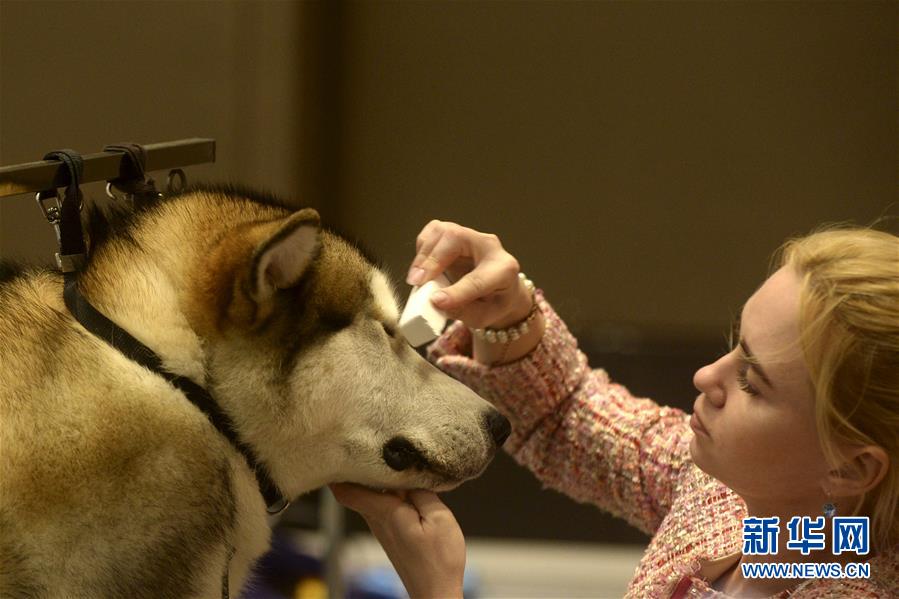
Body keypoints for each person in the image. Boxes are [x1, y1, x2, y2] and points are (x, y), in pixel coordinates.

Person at [330, 220, 899, 598]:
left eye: (752, 381)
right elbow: (569, 413)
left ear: (850, 468)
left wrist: (437, 590)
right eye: (734, 344)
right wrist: (508, 316)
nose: (706, 377)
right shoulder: (787, 528)